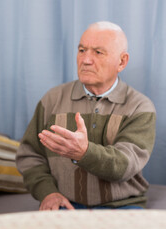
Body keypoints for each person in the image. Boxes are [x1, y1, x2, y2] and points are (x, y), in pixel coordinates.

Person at [16, 21, 156, 210]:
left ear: (122, 62)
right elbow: (30, 155)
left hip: (122, 206)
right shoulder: (52, 99)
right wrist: (48, 193)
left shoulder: (140, 107)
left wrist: (84, 153)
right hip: (65, 204)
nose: (86, 60)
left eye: (98, 52)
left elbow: (124, 166)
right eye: (82, 50)